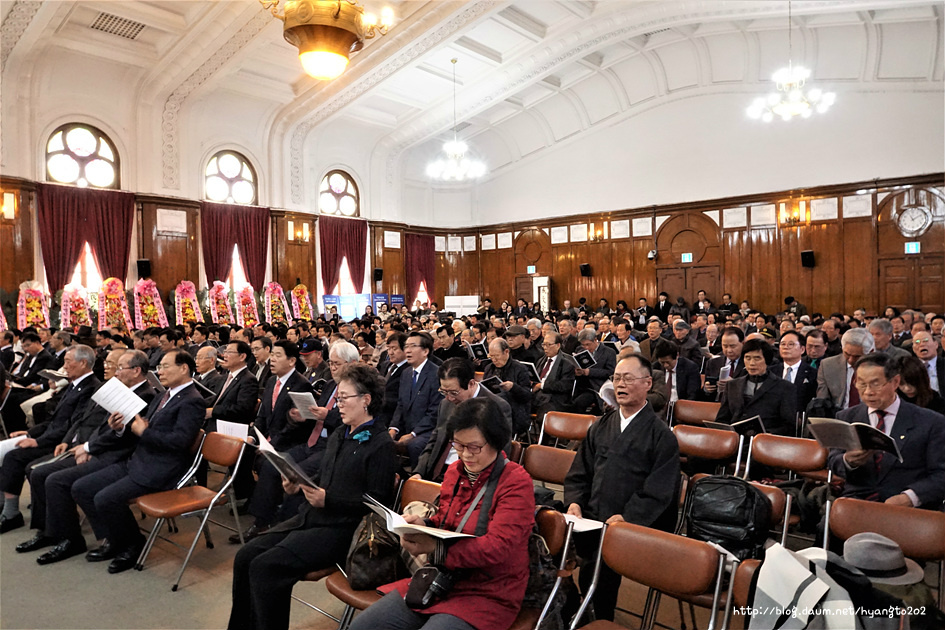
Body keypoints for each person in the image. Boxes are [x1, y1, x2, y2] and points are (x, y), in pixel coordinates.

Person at [228, 364, 397, 630]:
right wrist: (299, 484)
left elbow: (377, 504)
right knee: (245, 556)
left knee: (266, 567)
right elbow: (326, 476)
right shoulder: (341, 432)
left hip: (343, 530)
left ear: (366, 400)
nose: (337, 404)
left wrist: (327, 500)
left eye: (344, 398)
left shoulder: (381, 445)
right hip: (313, 516)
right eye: (337, 397)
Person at [350, 396, 534, 630]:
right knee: (363, 626)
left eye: (474, 447)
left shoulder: (515, 481)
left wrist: (436, 548)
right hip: (440, 580)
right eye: (458, 445)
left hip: (488, 592)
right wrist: (423, 524)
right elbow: (448, 521)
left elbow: (499, 547)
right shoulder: (456, 472)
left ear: (496, 441)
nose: (465, 454)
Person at [564, 355, 680, 621]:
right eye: (616, 378)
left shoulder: (662, 436)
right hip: (590, 517)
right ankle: (569, 606)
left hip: (629, 525)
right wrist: (574, 503)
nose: (620, 384)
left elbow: (658, 492)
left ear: (648, 383)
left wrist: (626, 519)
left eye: (628, 378)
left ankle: (599, 619)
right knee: (548, 539)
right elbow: (580, 472)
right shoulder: (601, 426)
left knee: (599, 565)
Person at [71, 349, 205, 573]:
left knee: (105, 498)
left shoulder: (192, 401)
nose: (159, 371)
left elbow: (179, 442)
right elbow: (141, 425)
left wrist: (145, 433)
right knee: (81, 488)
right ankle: (114, 539)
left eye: (164, 366)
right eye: (159, 366)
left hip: (161, 469)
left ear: (183, 368)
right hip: (139, 460)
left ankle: (132, 545)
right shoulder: (166, 394)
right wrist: (121, 428)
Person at [16, 349, 156, 563]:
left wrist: (90, 448)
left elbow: (125, 437)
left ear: (136, 371)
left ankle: (74, 539)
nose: (114, 371)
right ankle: (49, 532)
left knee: (58, 481)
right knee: (40, 473)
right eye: (113, 366)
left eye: (119, 367)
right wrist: (85, 445)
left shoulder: (145, 394)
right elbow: (94, 423)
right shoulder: (120, 389)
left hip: (116, 456)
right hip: (100, 449)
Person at [0, 345, 101, 535]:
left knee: (20, 459)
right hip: (53, 436)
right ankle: (8, 508)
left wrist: (38, 441)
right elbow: (53, 420)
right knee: (10, 454)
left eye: (68, 361)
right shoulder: (74, 385)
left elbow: (71, 425)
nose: (64, 366)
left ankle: (18, 515)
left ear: (83, 363)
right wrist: (30, 434)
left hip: (61, 441)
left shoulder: (90, 388)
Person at [826, 353, 945, 509]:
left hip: (906, 505)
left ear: (895, 382)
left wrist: (910, 497)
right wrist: (848, 461)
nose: (868, 391)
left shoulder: (931, 422)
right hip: (857, 501)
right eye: (861, 384)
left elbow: (941, 474)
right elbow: (833, 460)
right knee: (826, 527)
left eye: (875, 384)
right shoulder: (847, 417)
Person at [413, 358, 512, 482]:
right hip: (438, 470)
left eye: (454, 392)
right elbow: (435, 440)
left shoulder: (497, 406)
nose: (449, 398)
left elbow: (499, 452)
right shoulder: (446, 404)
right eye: (444, 392)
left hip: (470, 476)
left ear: (471, 383)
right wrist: (419, 472)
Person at [715, 338, 796, 436]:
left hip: (766, 443)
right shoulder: (732, 385)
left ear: (767, 360)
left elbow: (789, 426)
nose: (752, 363)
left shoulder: (785, 388)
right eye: (747, 358)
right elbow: (721, 419)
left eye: (757, 358)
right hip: (734, 441)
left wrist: (768, 435)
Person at [390, 331, 444, 466]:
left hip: (428, 430)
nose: (407, 350)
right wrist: (393, 428)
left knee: (415, 445)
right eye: (406, 346)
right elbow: (401, 405)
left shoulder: (436, 374)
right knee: (381, 439)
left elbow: (435, 413)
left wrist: (414, 433)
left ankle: (417, 480)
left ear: (425, 351)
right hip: (407, 426)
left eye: (412, 346)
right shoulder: (406, 373)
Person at [817, 328, 875, 412]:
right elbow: (822, 401)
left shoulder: (879, 369)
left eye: (857, 356)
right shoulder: (827, 366)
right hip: (838, 417)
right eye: (847, 354)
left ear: (871, 352)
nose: (851, 360)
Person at [483, 338, 532, 436]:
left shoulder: (519, 368)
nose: (494, 360)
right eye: (491, 356)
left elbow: (527, 395)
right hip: (492, 408)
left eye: (497, 356)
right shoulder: (489, 368)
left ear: (506, 352)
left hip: (514, 410)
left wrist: (513, 387)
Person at [206, 340, 258, 431]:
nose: (224, 355)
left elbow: (242, 409)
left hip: (227, 427)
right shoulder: (224, 377)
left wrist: (212, 411)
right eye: (225, 351)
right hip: (212, 423)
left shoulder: (249, 380)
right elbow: (215, 399)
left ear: (242, 356)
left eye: (229, 352)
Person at [771, 330, 818, 414]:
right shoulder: (771, 371)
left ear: (802, 349)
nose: (786, 347)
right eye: (783, 344)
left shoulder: (813, 373)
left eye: (791, 344)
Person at [702, 327, 745, 401]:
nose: (729, 350)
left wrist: (734, 385)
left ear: (743, 343)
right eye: (725, 346)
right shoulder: (713, 363)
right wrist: (707, 389)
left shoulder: (748, 365)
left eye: (733, 346)